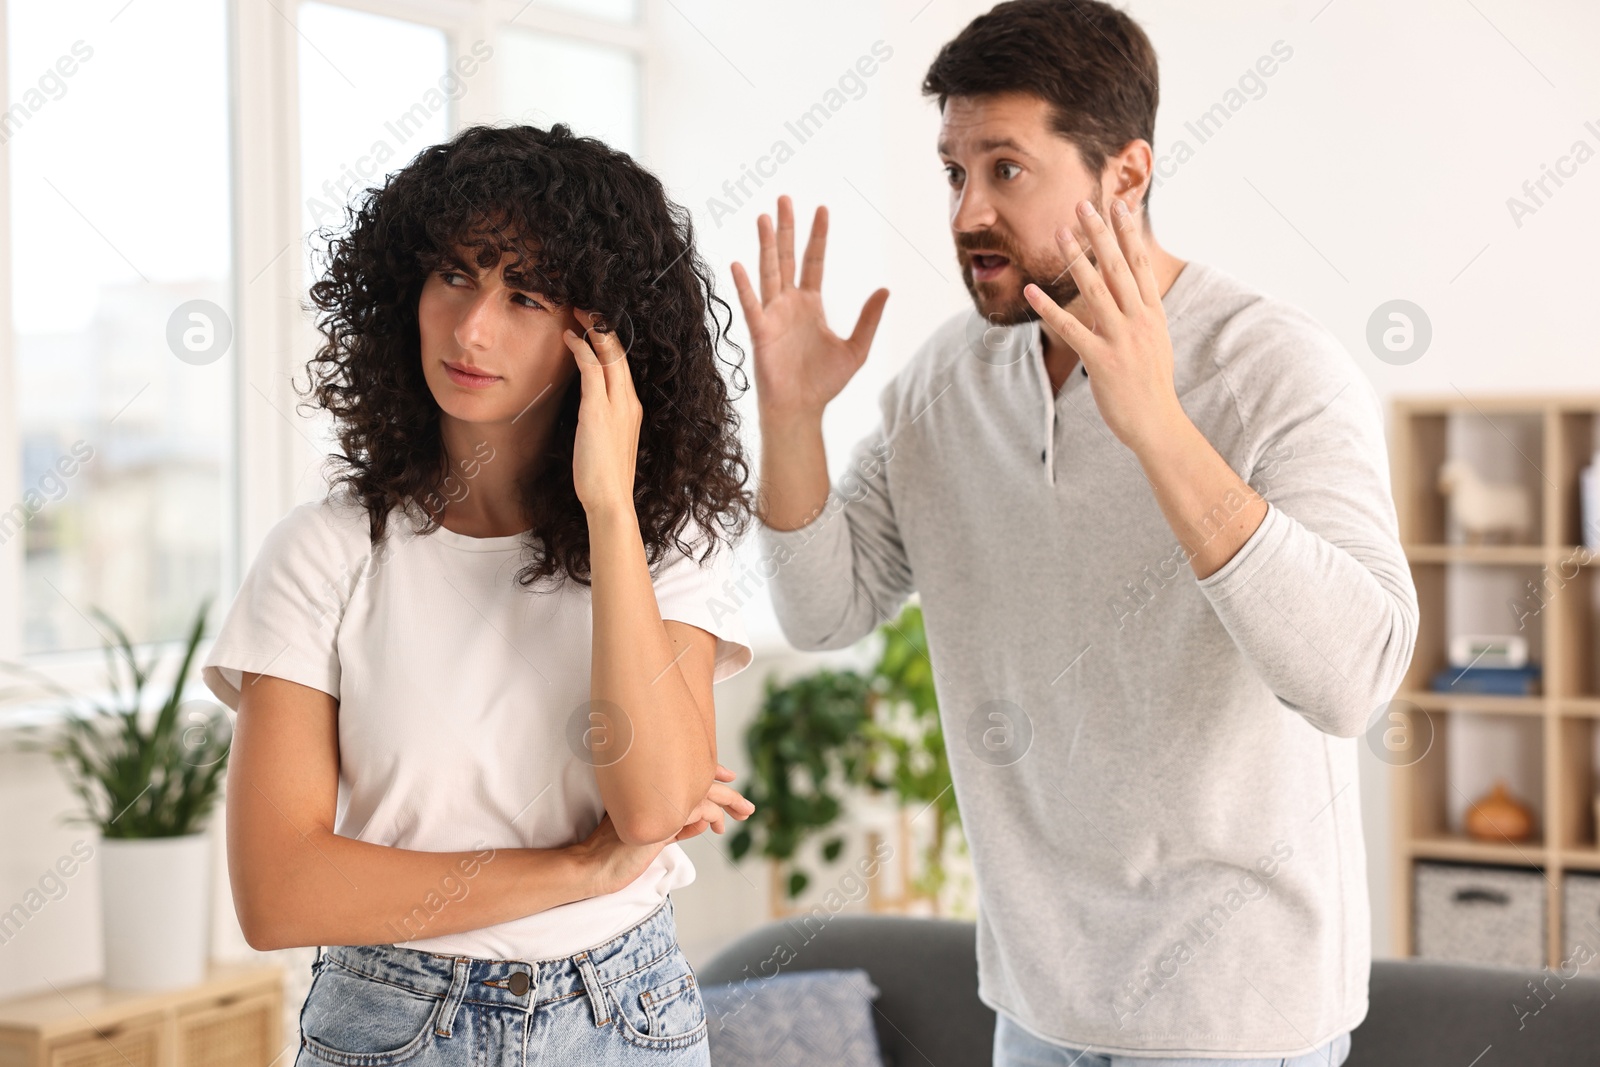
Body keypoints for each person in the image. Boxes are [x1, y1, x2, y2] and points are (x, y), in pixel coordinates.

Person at [732, 2, 1417, 1065]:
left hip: (1236, 1015)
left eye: (1006, 169)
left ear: (1125, 175)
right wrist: (789, 422)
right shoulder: (941, 385)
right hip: (1038, 1004)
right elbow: (825, 610)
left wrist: (1157, 427)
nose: (966, 211)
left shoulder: (1273, 365)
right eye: (954, 171)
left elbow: (1350, 676)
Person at [201, 123, 757, 1066]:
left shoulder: (661, 543)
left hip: (626, 1018)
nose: (471, 328)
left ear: (601, 340)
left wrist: (609, 510)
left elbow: (655, 804)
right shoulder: (325, 551)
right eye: (455, 275)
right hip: (393, 1023)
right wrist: (576, 869)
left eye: (526, 295)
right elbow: (279, 891)